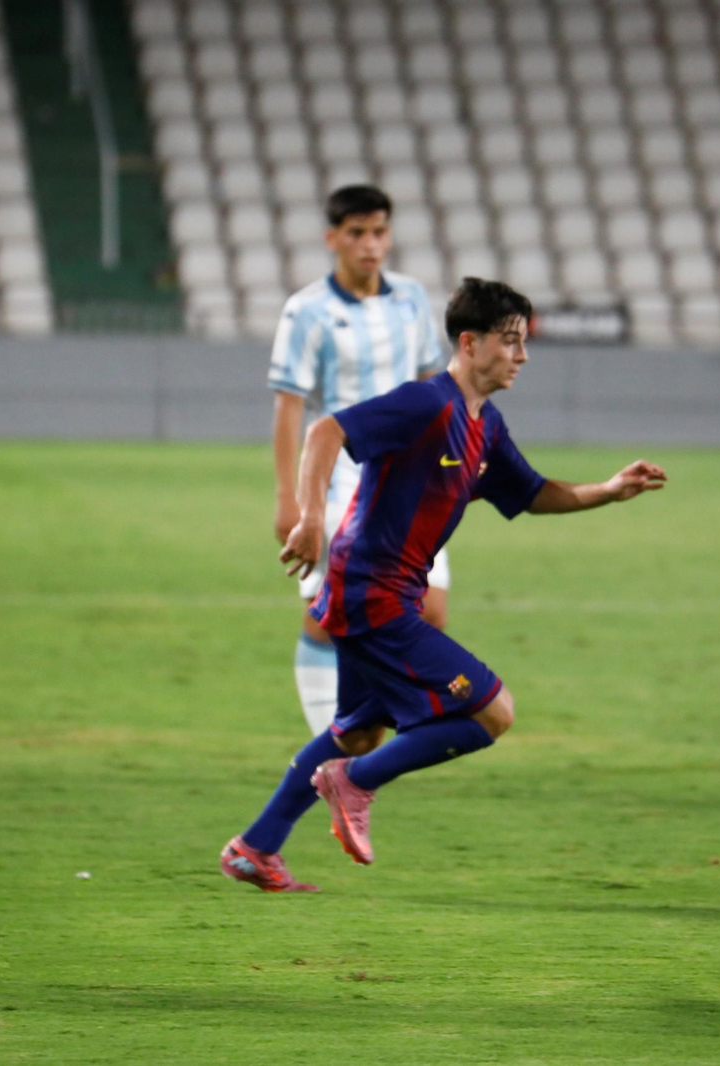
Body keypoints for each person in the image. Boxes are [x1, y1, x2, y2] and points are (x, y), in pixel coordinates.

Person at [221, 278, 667, 892]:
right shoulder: (426, 404)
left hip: (380, 595)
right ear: (469, 342)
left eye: (524, 342)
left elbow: (534, 493)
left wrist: (608, 490)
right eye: (510, 342)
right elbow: (327, 432)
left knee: (355, 729)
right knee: (491, 712)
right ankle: (356, 779)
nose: (522, 355)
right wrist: (310, 515)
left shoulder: (485, 426)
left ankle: (256, 846)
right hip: (370, 594)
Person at [268, 184, 452, 735]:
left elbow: (429, 386)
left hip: (412, 483)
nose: (370, 244)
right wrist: (291, 499)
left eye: (379, 232)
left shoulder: (411, 299)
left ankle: (357, 736)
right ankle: (333, 740)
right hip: (340, 481)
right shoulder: (307, 311)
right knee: (332, 615)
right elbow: (289, 408)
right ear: (333, 239)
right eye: (357, 233)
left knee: (429, 611)